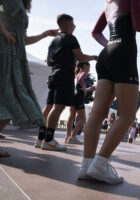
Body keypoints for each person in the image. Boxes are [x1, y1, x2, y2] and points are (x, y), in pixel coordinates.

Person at [80, 0, 140, 184]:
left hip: (107, 54)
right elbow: (138, 25)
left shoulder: (109, 4)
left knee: (97, 114)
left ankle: (86, 166)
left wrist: (111, 45)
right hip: (124, 53)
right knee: (128, 115)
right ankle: (99, 165)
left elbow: (95, 32)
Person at [0, 0, 60, 157]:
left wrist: (45, 34)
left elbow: (24, 40)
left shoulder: (22, 5)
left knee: (13, 101)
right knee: (9, 100)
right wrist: (4, 32)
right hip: (5, 52)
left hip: (16, 55)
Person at [34, 14, 98, 151]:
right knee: (59, 107)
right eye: (74, 25)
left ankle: (40, 139)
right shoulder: (70, 38)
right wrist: (94, 57)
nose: (74, 28)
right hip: (64, 74)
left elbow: (49, 61)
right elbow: (80, 56)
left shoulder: (53, 41)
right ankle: (49, 140)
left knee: (48, 107)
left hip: (53, 75)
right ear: (68, 24)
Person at [66, 62, 96, 144]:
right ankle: (73, 136)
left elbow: (79, 86)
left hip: (73, 96)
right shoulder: (84, 73)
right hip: (79, 97)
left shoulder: (77, 75)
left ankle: (68, 137)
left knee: (71, 117)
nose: (89, 69)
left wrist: (90, 88)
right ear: (85, 66)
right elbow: (81, 81)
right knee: (83, 119)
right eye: (89, 67)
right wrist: (84, 87)